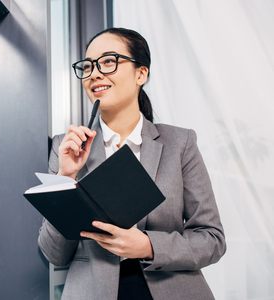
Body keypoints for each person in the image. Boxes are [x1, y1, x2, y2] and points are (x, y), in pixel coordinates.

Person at [38, 28, 226, 300]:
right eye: (88, 66)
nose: (94, 73)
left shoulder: (180, 143)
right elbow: (55, 254)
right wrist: (66, 175)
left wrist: (148, 245)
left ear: (141, 74)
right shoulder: (65, 147)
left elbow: (212, 240)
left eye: (108, 61)